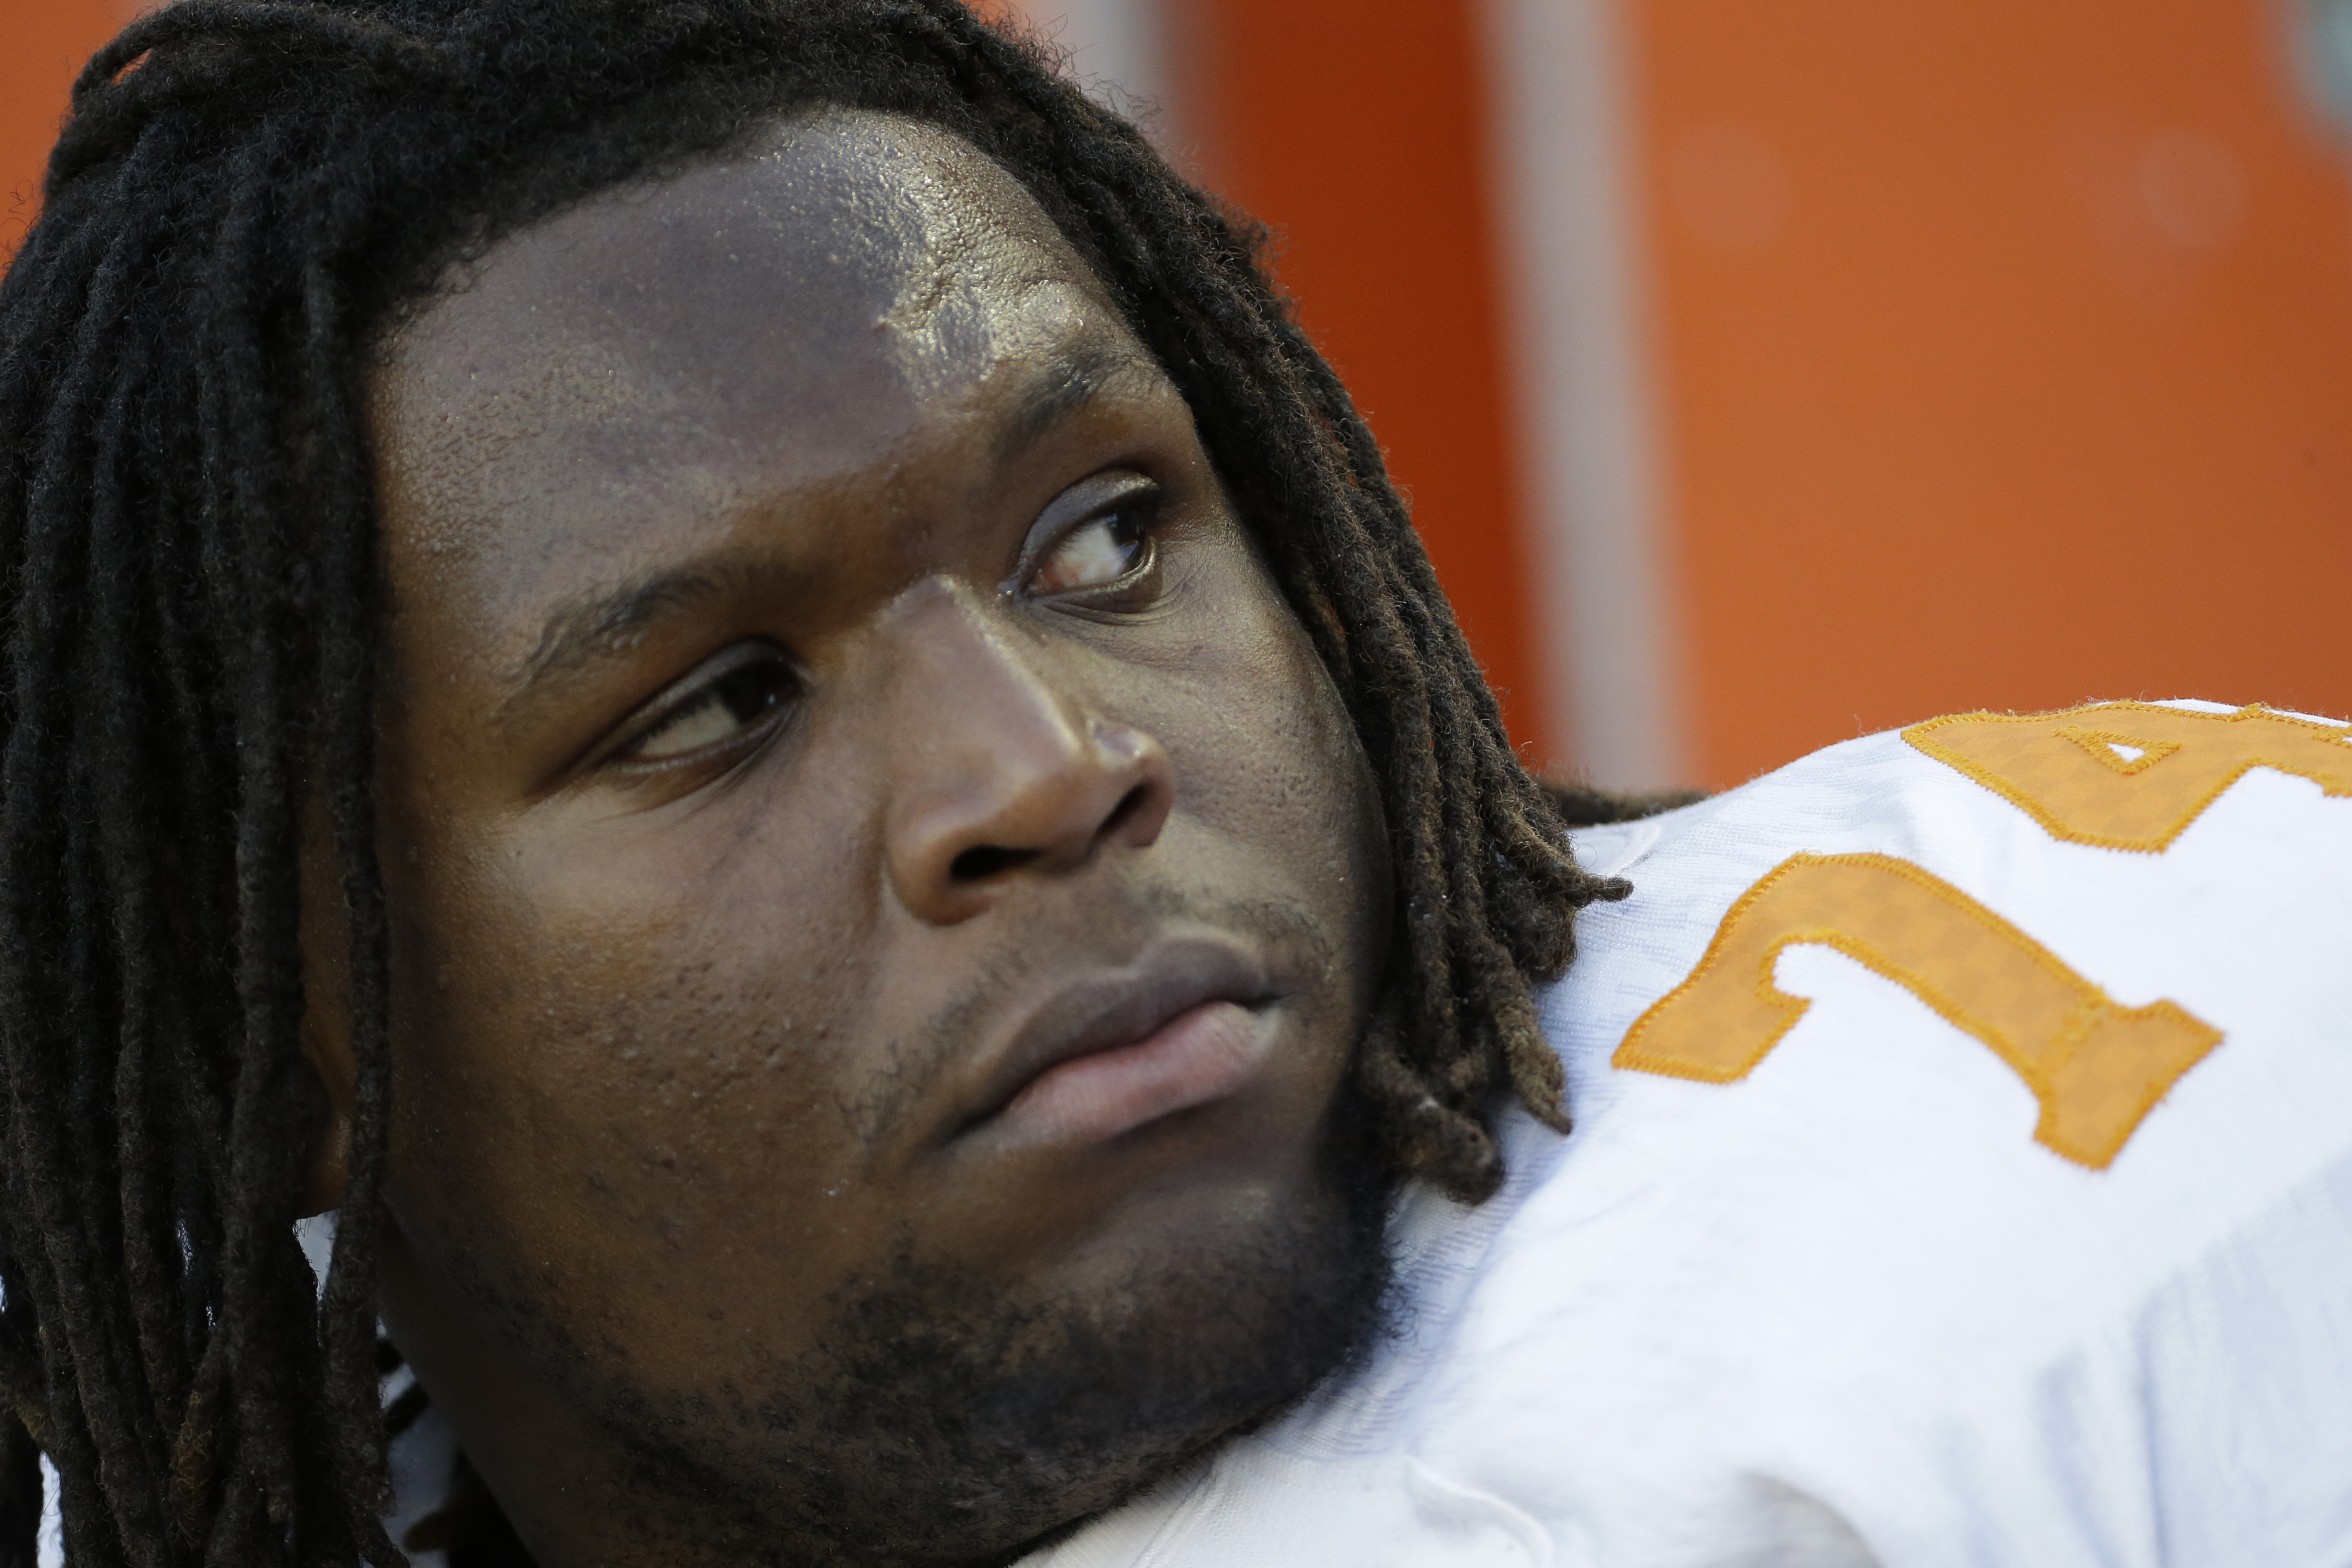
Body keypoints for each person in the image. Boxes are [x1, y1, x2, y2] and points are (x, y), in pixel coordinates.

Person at [0, 2, 2344, 1567]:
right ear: (278, 1026)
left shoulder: (1973, 1238)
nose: (1048, 767)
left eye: (1103, 537)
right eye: (714, 701)